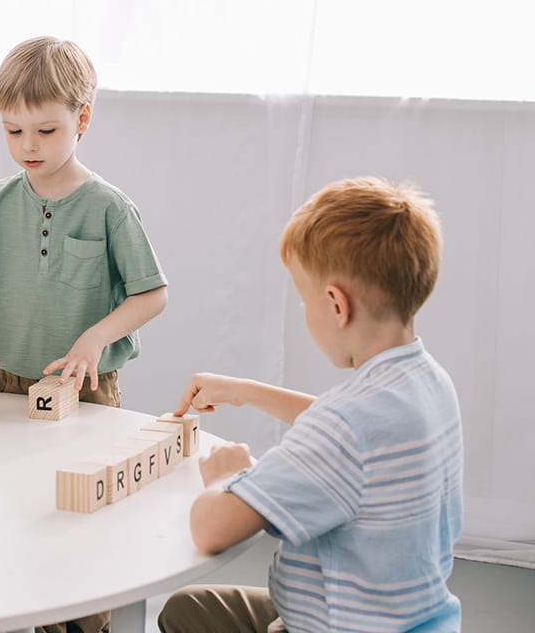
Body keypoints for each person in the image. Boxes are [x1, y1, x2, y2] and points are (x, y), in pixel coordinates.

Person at [0, 36, 168, 633]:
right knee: (10, 514)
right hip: (0, 385)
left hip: (82, 388)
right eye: (13, 131)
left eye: (46, 132)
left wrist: (96, 338)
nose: (28, 146)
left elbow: (152, 293)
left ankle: (86, 622)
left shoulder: (109, 208)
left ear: (83, 119)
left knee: (79, 525)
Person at [160, 177, 463, 633]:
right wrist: (244, 390)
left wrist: (227, 475)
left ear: (336, 304)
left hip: (335, 626)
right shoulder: (426, 381)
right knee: (192, 607)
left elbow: (210, 528)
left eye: (303, 299)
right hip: (412, 620)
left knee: (182, 614)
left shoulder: (346, 427)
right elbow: (352, 429)